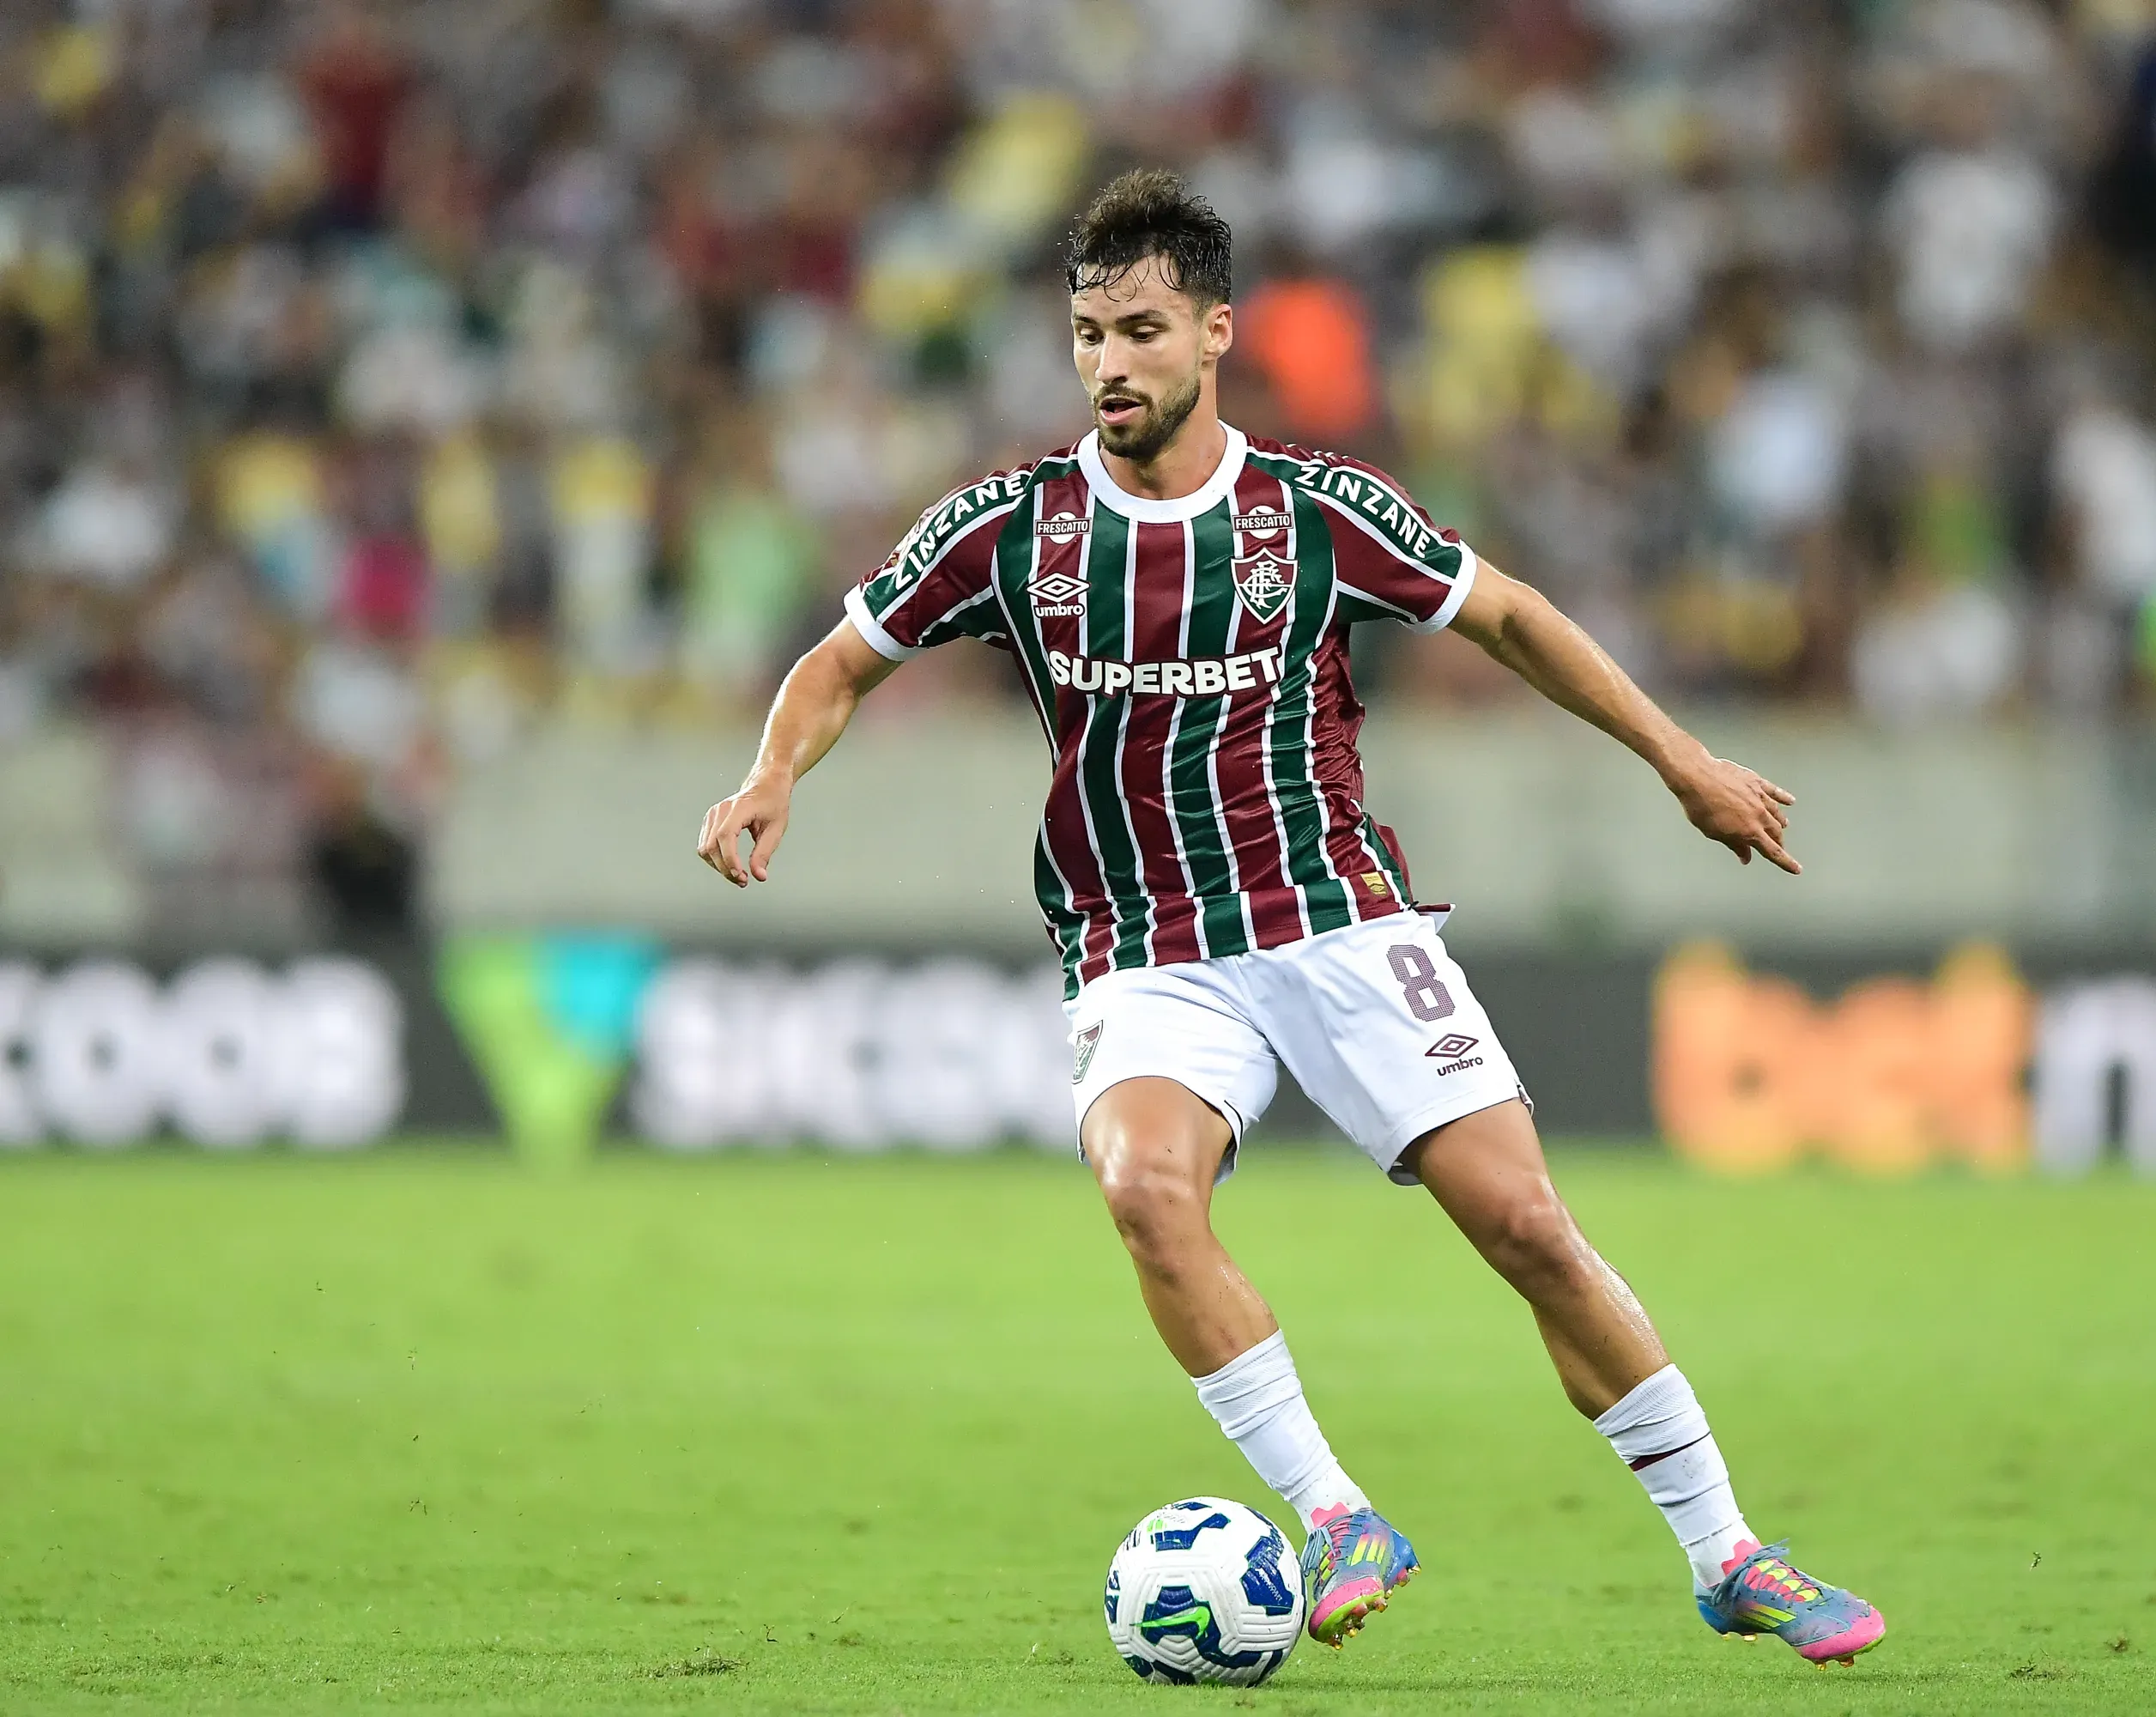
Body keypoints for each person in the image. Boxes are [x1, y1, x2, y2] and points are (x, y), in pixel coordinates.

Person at [694, 171, 1883, 1667]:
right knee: (1142, 1193)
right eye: (1085, 334)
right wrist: (768, 774)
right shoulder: (1014, 528)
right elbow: (841, 661)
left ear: (1213, 335)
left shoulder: (1313, 514)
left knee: (1525, 1226)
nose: (1108, 363)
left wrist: (1685, 762)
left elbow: (1510, 616)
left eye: (1138, 330)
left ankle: (1732, 1555)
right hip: (1145, 950)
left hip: (1334, 921)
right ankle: (1332, 1514)